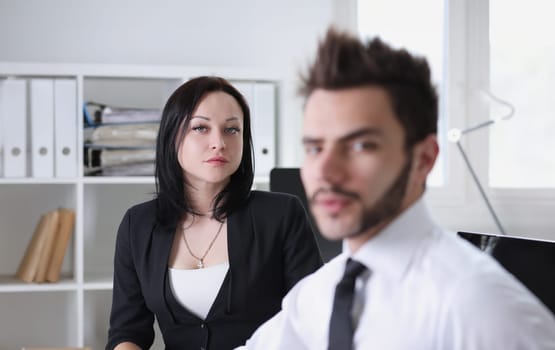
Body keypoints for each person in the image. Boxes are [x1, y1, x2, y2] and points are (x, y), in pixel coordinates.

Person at [237, 28, 555, 349]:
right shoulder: (317, 295)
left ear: (424, 159)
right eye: (315, 148)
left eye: (361, 145)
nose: (325, 171)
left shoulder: (480, 308)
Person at [106, 76, 323, 350]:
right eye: (200, 128)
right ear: (173, 136)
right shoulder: (138, 225)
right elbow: (127, 332)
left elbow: (313, 322)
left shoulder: (281, 215)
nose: (219, 142)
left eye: (232, 130)